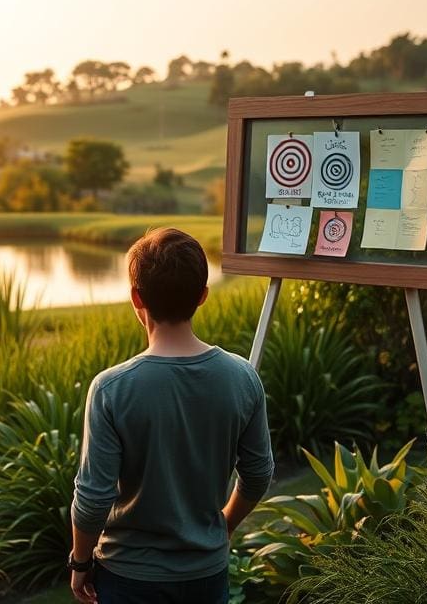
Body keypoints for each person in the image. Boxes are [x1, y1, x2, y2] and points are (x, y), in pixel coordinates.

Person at [68, 228, 274, 604]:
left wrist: (80, 562)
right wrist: (223, 526)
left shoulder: (112, 389)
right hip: (206, 574)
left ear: (136, 297)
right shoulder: (242, 377)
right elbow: (258, 473)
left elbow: (93, 498)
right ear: (202, 296)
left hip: (129, 576)